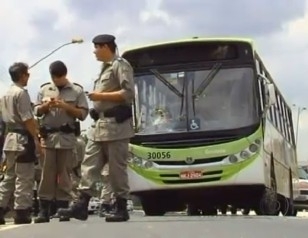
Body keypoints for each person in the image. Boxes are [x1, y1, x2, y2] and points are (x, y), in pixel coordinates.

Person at [58, 34, 135, 222]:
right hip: (99, 125)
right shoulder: (103, 69)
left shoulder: (120, 65)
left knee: (116, 169)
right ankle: (81, 205)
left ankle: (121, 206)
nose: (94, 51)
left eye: (96, 47)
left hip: (116, 126)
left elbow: (128, 93)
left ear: (106, 47)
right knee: (89, 164)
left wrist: (100, 96)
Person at [33, 61, 89, 223]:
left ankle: (63, 207)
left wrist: (66, 106)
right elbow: (36, 111)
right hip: (48, 138)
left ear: (65, 75)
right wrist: (46, 106)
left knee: (65, 173)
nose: (57, 81)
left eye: (59, 78)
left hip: (66, 138)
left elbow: (82, 114)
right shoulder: (44, 89)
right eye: (54, 78)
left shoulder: (76, 90)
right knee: (47, 174)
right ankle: (44, 209)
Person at [0, 62, 42, 225]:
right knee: (24, 177)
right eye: (27, 74)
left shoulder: (6, 94)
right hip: (23, 139)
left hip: (9, 140)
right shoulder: (21, 94)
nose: (28, 77)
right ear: (22, 75)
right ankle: (21, 211)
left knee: (9, 177)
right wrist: (37, 139)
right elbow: (28, 119)